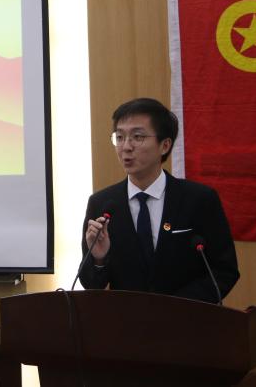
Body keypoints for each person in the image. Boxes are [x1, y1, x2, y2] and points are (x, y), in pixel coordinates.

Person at [78, 98, 239, 303]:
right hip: (126, 320)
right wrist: (99, 259)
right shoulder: (102, 204)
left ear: (164, 145)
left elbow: (224, 271)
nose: (126, 147)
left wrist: (175, 307)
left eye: (137, 137)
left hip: (185, 318)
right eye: (119, 137)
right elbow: (91, 284)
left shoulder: (199, 199)